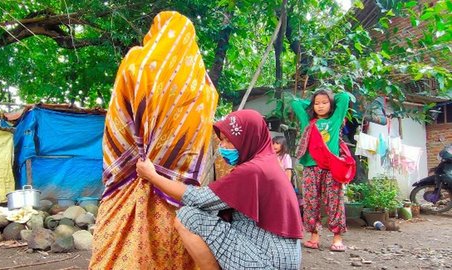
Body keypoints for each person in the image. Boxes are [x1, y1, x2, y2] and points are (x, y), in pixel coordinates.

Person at [89, 11, 218, 269]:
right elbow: (200, 139)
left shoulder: (136, 63)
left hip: (132, 174)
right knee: (176, 243)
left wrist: (141, 157)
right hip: (178, 184)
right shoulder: (204, 87)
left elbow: (119, 120)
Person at [136, 109, 303, 270]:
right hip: (280, 255)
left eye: (229, 140)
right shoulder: (267, 162)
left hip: (268, 260)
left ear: (249, 138)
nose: (223, 146)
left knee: (188, 216)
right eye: (222, 139)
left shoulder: (253, 170)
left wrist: (152, 176)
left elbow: (197, 198)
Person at [291, 89, 352, 252]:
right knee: (311, 202)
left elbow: (344, 97)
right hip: (311, 167)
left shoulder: (335, 119)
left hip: (331, 167)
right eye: (317, 103)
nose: (320, 106)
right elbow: (295, 103)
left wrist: (329, 97)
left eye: (325, 103)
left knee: (335, 202)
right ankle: (314, 236)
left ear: (331, 104)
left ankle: (337, 237)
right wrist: (310, 102)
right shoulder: (308, 122)